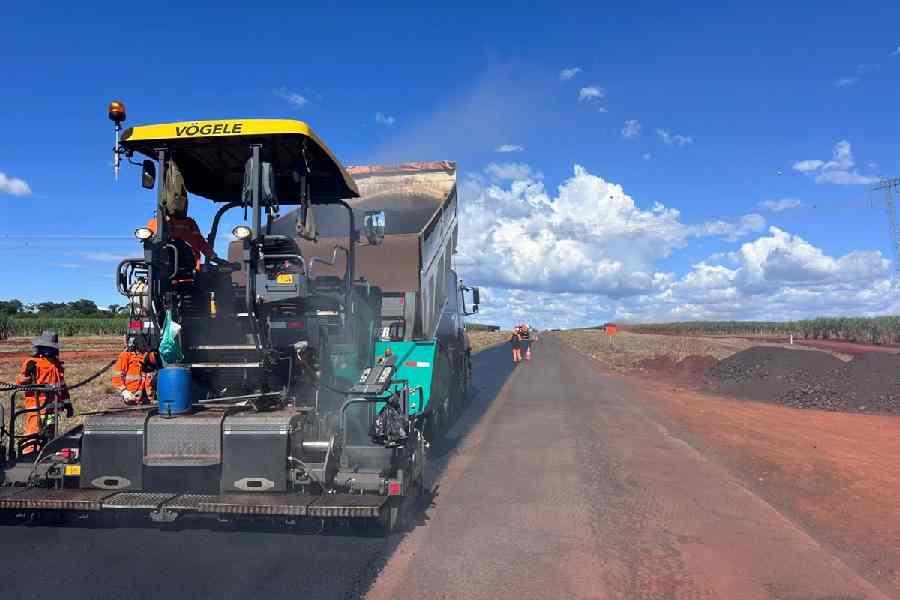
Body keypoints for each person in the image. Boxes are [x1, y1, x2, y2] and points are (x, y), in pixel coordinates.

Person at [145, 159, 216, 270]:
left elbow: (201, 242)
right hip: (165, 273)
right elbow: (150, 246)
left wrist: (213, 256)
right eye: (176, 197)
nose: (179, 202)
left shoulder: (189, 224)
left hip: (191, 272)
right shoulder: (157, 223)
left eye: (181, 198)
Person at [14, 330, 72, 455]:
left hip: (53, 407)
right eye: (46, 347)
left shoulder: (57, 365)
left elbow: (62, 385)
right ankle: (27, 458)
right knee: (33, 434)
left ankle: (46, 455)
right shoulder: (32, 362)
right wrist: (28, 375)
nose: (48, 350)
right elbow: (20, 382)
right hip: (36, 407)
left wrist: (67, 402)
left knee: (50, 433)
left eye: (51, 348)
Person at [112, 334, 160, 405]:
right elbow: (116, 378)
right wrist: (124, 391)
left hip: (149, 399)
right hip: (132, 398)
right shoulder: (126, 356)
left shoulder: (150, 356)